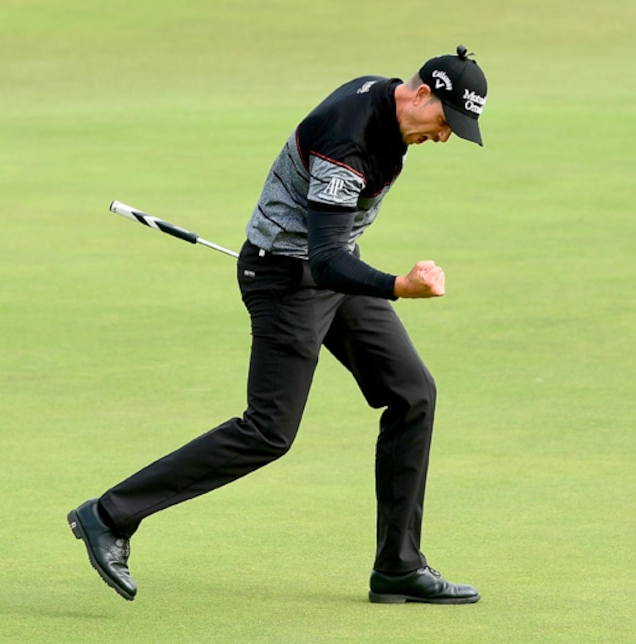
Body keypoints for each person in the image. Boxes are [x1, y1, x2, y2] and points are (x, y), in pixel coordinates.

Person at [68, 45, 488, 604]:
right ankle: (108, 515)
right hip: (286, 281)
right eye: (444, 122)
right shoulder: (348, 138)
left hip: (327, 270)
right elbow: (325, 261)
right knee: (268, 430)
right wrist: (399, 286)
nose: (443, 137)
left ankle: (398, 567)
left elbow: (334, 255)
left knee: (413, 394)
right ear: (420, 94)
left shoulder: (388, 105)